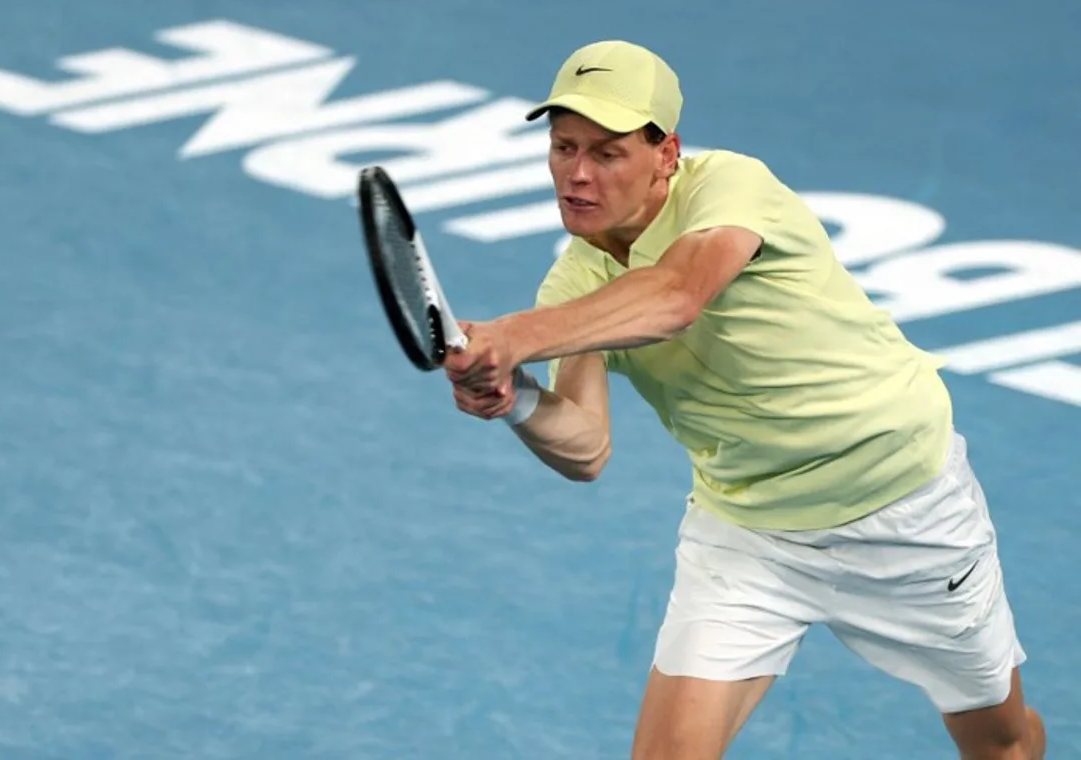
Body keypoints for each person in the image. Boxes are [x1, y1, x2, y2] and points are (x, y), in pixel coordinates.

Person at [442, 40, 1046, 760]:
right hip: (750, 534)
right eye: (563, 147)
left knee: (999, 743)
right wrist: (512, 399)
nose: (576, 174)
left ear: (666, 153)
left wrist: (512, 335)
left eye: (608, 153)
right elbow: (586, 447)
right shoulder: (572, 287)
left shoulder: (729, 186)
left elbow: (676, 296)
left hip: (905, 511)